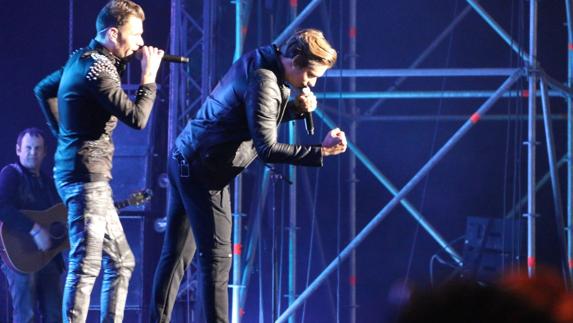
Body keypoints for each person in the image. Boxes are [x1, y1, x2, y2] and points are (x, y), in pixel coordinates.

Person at [150, 28, 347, 323]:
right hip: (205, 173)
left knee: (176, 257)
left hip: (185, 158)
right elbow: (267, 147)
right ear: (294, 60)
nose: (312, 83)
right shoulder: (266, 82)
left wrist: (293, 109)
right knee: (216, 262)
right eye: (310, 75)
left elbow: (251, 116)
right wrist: (321, 151)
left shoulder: (262, 59)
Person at [33, 0, 164, 321]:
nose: (140, 43)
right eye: (134, 35)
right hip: (84, 178)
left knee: (122, 262)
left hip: (88, 177)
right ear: (112, 32)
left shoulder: (82, 59)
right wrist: (149, 77)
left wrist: (65, 133)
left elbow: (43, 90)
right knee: (87, 263)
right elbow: (137, 118)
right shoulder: (98, 71)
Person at [0, 127, 64, 323]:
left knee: (55, 315)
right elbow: (2, 206)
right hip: (19, 257)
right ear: (18, 150)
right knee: (26, 316)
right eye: (28, 148)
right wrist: (35, 229)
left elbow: (59, 218)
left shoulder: (47, 182)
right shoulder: (11, 174)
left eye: (37, 149)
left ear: (45, 152)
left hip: (47, 258)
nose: (32, 153)